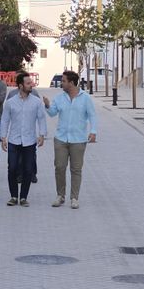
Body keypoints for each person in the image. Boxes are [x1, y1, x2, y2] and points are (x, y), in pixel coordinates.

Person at [42, 69, 97, 209]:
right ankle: (60, 196)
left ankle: (74, 198)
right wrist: (48, 105)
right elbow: (53, 113)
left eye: (64, 81)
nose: (62, 83)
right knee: (59, 167)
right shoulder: (60, 98)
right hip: (61, 138)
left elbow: (92, 115)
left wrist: (93, 131)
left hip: (78, 139)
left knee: (76, 169)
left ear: (71, 83)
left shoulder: (85, 98)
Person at [0, 73, 47, 207]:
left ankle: (24, 197)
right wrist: (3, 138)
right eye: (28, 83)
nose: (31, 85)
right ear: (20, 85)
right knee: (12, 168)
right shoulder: (10, 102)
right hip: (14, 140)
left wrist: (42, 135)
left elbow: (41, 118)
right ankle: (14, 196)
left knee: (28, 169)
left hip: (30, 140)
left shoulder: (36, 102)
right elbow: (5, 120)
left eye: (31, 83)